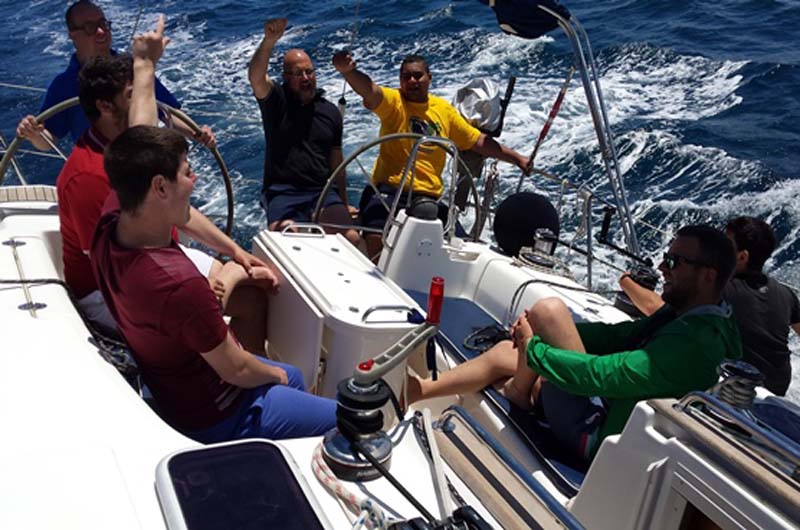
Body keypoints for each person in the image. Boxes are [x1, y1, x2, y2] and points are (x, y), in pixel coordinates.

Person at [90, 20, 336, 442]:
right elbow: (236, 369)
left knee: (293, 377)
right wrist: (275, 375)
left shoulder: (114, 221)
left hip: (173, 388)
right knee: (345, 414)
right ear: (160, 187)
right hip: (218, 414)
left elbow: (140, 138)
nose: (195, 180)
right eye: (187, 172)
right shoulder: (178, 283)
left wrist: (144, 65)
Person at [409, 225, 742, 461]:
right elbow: (619, 337)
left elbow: (603, 375)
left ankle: (507, 390)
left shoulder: (694, 345)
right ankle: (423, 390)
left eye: (674, 262)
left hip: (597, 437)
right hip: (607, 407)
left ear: (708, 275)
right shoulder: (700, 319)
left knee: (547, 312)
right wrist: (538, 336)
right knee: (523, 339)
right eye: (666, 258)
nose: (661, 268)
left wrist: (534, 348)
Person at [56, 17, 253, 347]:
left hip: (159, 252)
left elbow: (178, 211)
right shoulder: (87, 176)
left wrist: (234, 251)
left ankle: (244, 363)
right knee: (210, 304)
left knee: (253, 289)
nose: (146, 102)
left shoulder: (134, 156)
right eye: (134, 95)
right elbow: (114, 263)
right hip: (107, 288)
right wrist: (195, 284)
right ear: (105, 106)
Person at [332, 50, 531, 256]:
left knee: (464, 250)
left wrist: (517, 159)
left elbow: (477, 141)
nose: (412, 81)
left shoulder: (443, 110)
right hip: (390, 192)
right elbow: (370, 91)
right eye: (406, 77)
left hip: (430, 197)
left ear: (429, 77)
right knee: (377, 239)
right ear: (400, 81)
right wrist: (349, 72)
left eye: (417, 75)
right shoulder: (393, 102)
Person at [620, 217, 800, 395]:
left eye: (725, 245)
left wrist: (626, 281)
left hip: (732, 391)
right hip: (774, 394)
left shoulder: (719, 289)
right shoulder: (786, 294)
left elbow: (656, 309)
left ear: (742, 257)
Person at [15, 1, 212, 151]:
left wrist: (197, 132)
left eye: (103, 24)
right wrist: (34, 134)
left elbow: (167, 111)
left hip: (142, 162)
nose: (101, 31)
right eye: (90, 27)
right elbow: (49, 139)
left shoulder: (134, 68)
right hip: (97, 170)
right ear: (73, 35)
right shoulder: (63, 85)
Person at [248, 18, 358, 245]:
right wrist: (269, 41)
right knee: (290, 238)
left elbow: (337, 164)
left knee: (351, 238)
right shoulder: (276, 101)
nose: (306, 78)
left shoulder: (330, 112)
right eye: (299, 74)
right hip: (282, 192)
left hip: (321, 192)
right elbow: (256, 78)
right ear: (286, 78)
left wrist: (344, 202)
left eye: (309, 72)